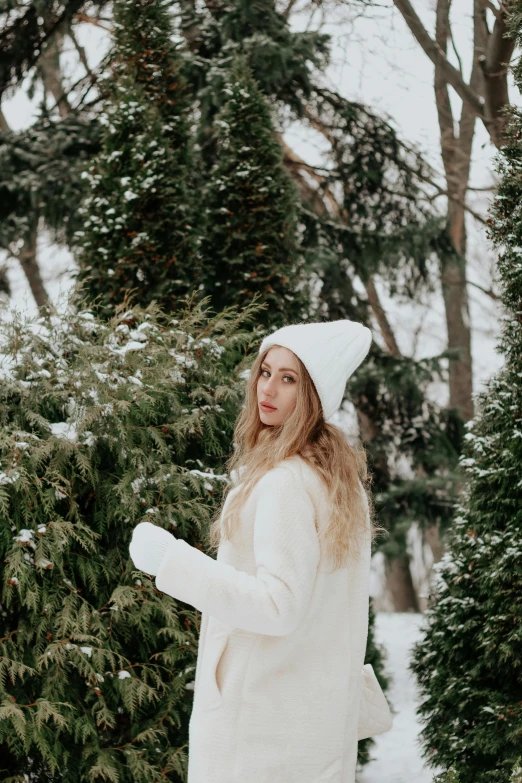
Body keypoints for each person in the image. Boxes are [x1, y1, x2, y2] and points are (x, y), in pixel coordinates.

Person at [129, 318, 384, 783]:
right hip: (307, 721)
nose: (269, 389)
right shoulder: (336, 481)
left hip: (259, 729)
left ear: (313, 394)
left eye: (289, 379)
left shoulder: (286, 481)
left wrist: (172, 561)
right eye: (266, 371)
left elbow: (278, 605)